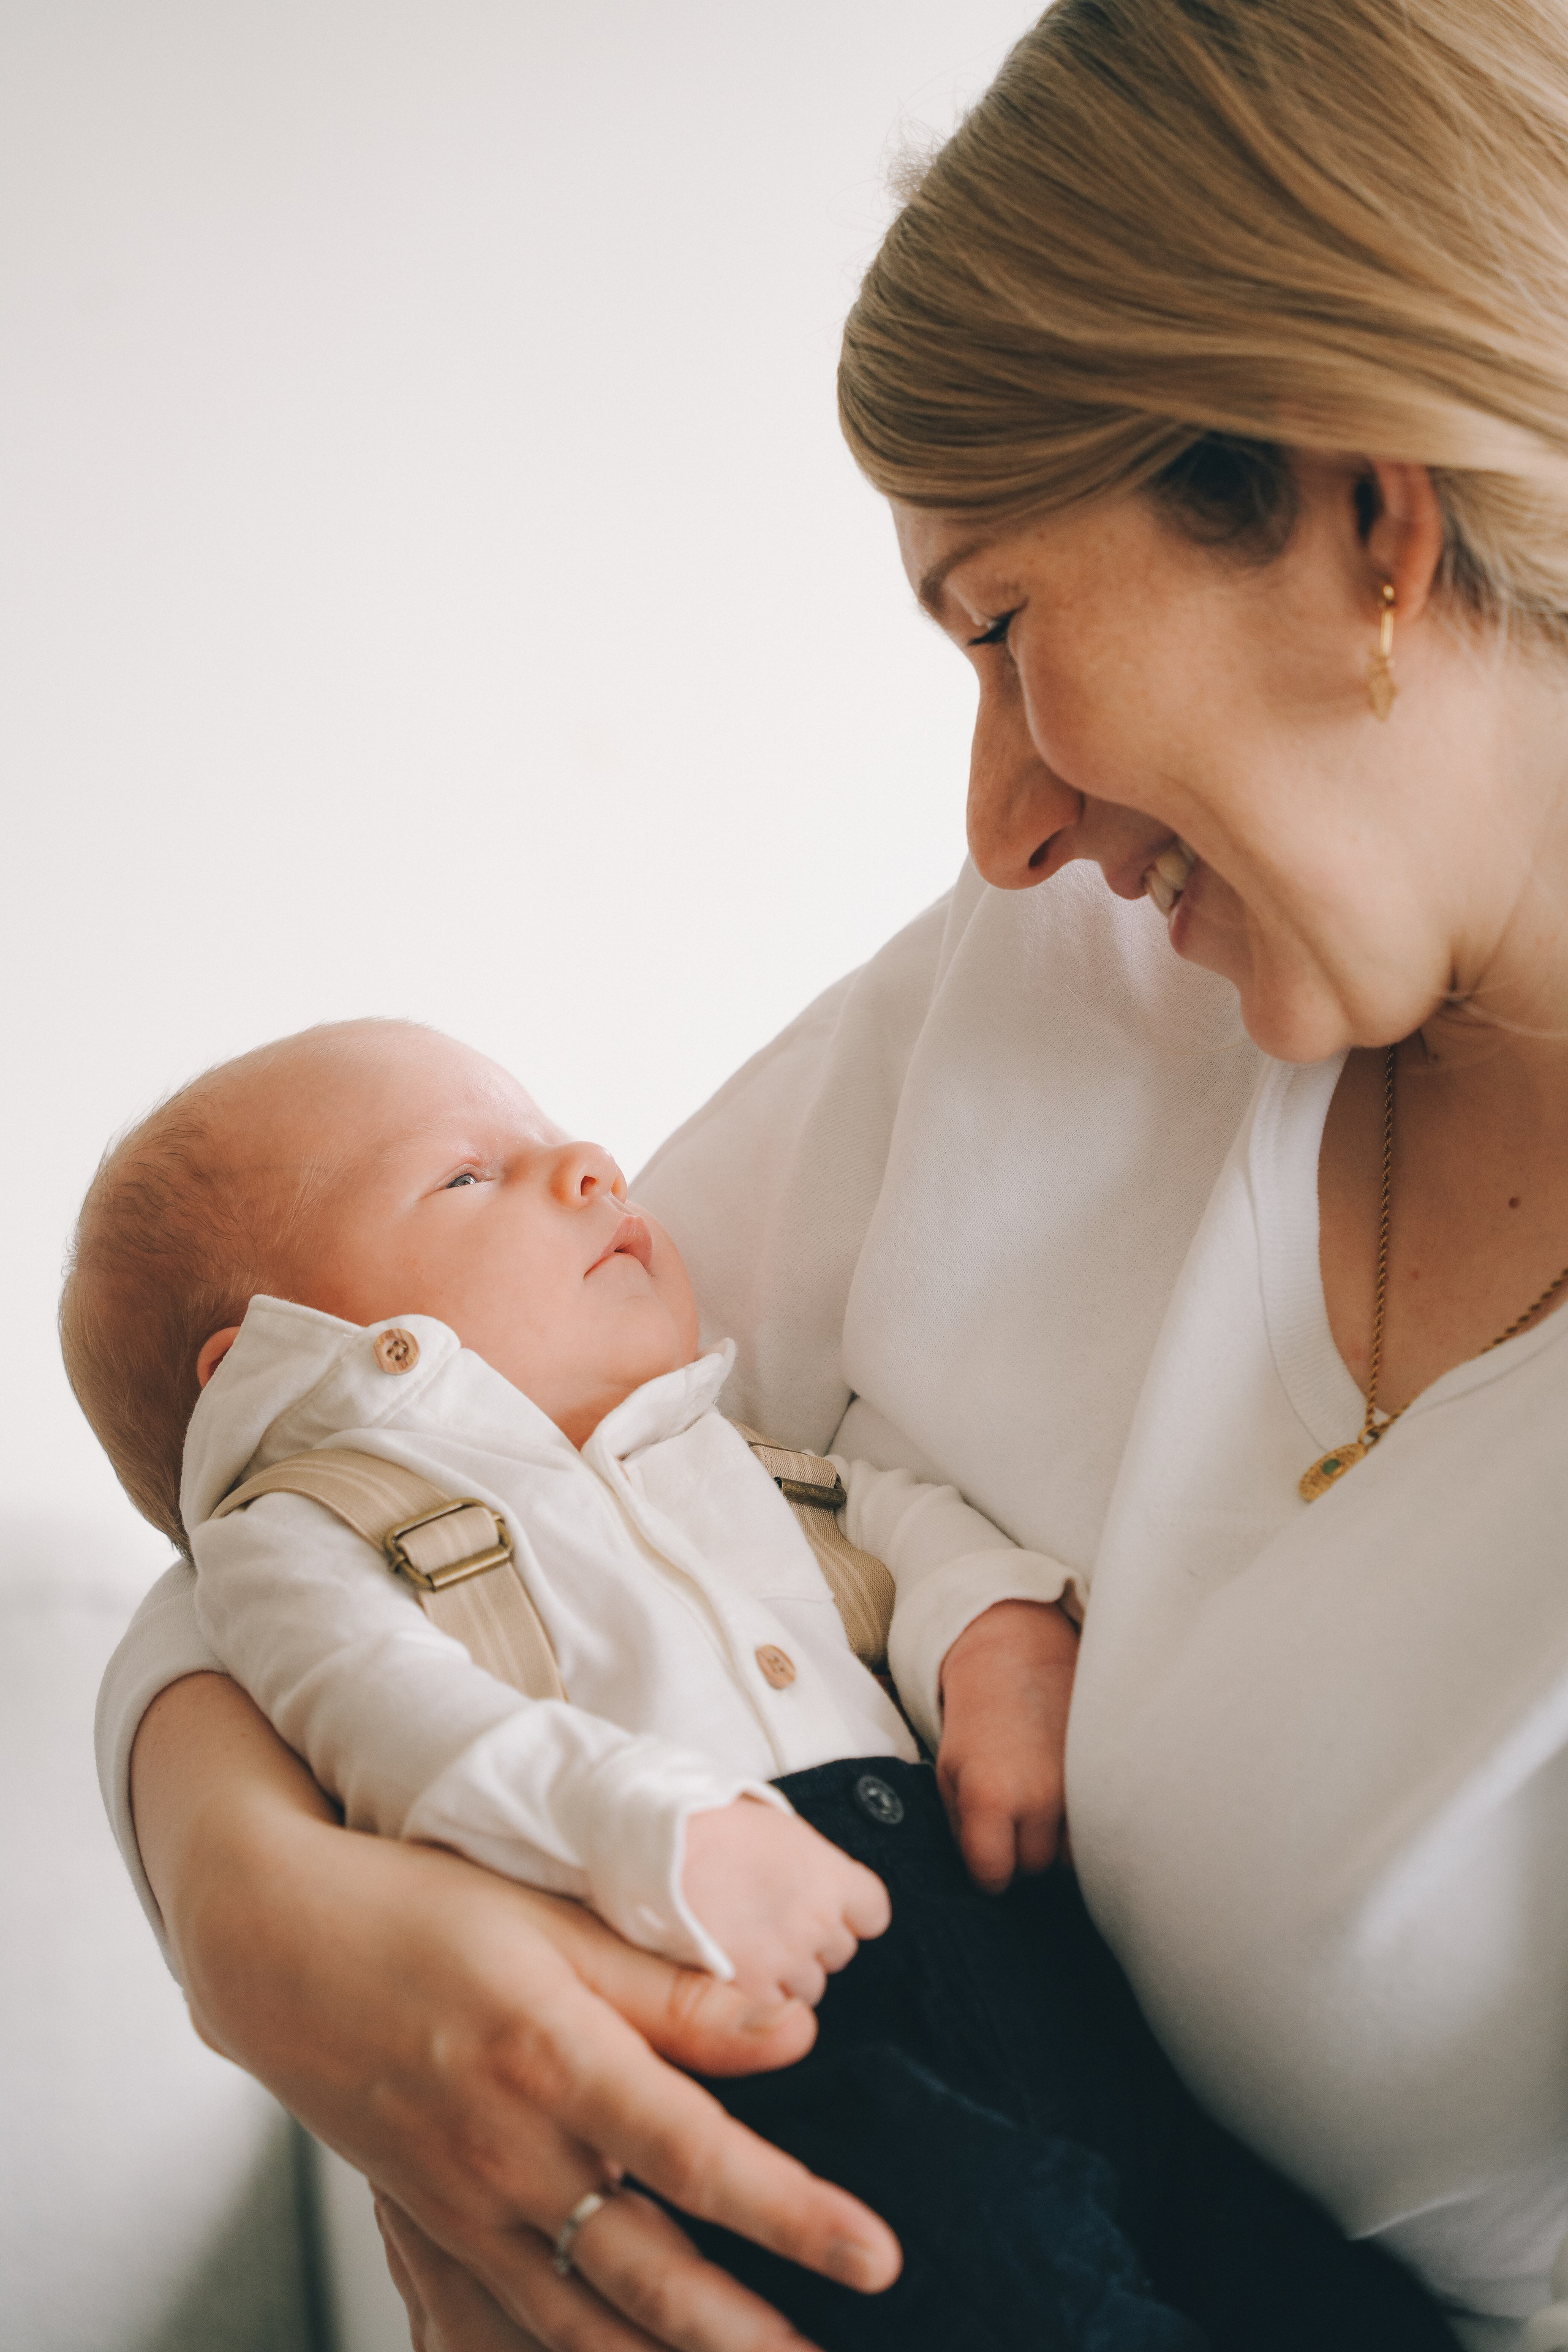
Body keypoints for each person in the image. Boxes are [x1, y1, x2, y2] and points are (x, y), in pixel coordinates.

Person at [87, 0, 1568, 2345]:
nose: (996, 823)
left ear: (1366, 516)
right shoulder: (1069, 976)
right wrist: (262, 1921)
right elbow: (360, 1446)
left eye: (1003, 627)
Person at [64, 1019, 1450, 2348]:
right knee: (996, 2273)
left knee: (1263, 2256)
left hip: (1015, 1954)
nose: (590, 1164)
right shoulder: (303, 1532)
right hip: (739, 2014)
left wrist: (992, 1639)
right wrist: (650, 1828)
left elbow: (888, 1519)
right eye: (467, 1174)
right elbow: (400, 1719)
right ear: (273, 1369)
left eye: (551, 1132)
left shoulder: (715, 1450)